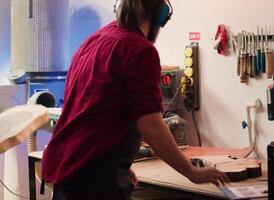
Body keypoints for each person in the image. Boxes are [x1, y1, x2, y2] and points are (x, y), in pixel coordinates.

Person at [41, 0, 229, 199]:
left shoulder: (93, 40)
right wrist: (192, 172)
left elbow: (96, 109)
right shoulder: (139, 49)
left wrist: (118, 165)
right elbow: (150, 126)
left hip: (71, 169)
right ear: (160, 15)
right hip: (92, 178)